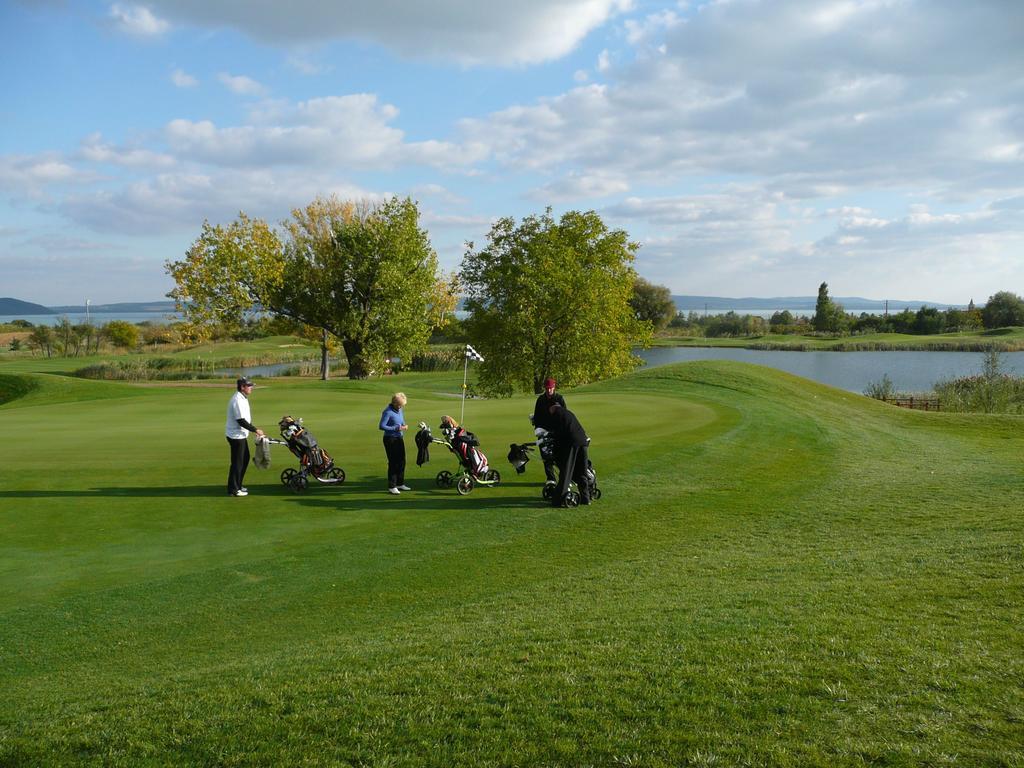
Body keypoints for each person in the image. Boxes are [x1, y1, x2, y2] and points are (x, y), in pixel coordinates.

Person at [225, 377, 264, 497]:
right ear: (242, 387)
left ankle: (237, 485)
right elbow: (241, 420)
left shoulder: (243, 398)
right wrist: (255, 429)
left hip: (240, 434)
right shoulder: (237, 400)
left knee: (244, 459)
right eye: (249, 386)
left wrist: (253, 429)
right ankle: (234, 489)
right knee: (238, 462)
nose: (251, 388)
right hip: (236, 436)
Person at [547, 403, 591, 506]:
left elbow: (558, 436)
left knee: (566, 472)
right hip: (583, 441)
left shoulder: (557, 415)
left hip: (572, 442)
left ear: (553, 410)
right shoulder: (568, 413)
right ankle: (586, 498)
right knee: (582, 471)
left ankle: (558, 500)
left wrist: (555, 453)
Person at [532, 377, 565, 482]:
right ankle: (551, 479)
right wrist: (538, 430)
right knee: (546, 457)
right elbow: (537, 417)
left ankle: (563, 478)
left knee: (559, 456)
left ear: (554, 387)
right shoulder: (540, 400)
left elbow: (565, 415)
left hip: (556, 432)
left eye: (550, 388)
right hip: (543, 431)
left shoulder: (559, 398)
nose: (548, 390)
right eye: (547, 388)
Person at [379, 392, 410, 495]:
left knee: (402, 461)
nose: (401, 407)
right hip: (390, 439)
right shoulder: (387, 412)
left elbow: (401, 420)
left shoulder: (399, 410)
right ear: (395, 403)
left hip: (399, 438)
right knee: (393, 462)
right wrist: (396, 428)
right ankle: (392, 486)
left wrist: (403, 425)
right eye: (400, 405)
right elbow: (382, 426)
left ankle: (400, 483)